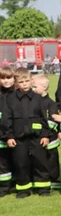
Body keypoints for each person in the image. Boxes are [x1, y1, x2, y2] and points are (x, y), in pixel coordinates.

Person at [4, 68, 50, 198]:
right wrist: (9, 136)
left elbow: (43, 118)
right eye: (21, 82)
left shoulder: (38, 98)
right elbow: (7, 119)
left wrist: (45, 135)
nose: (24, 84)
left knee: (40, 162)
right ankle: (23, 189)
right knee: (21, 163)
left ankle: (43, 188)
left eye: (27, 81)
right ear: (16, 83)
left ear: (31, 81)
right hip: (19, 139)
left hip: (36, 137)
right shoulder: (10, 99)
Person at [31, 74, 61, 193]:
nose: (32, 89)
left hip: (51, 140)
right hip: (37, 138)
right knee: (39, 161)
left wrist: (40, 128)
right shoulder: (33, 102)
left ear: (44, 87)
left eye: (35, 86)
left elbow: (52, 121)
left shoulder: (51, 104)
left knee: (52, 161)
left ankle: (54, 181)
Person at [0, 66, 12, 196]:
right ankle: (4, 187)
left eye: (8, 78)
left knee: (16, 159)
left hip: (14, 132)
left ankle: (14, 183)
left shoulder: (16, 94)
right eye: (2, 78)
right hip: (1, 133)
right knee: (2, 162)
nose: (6, 81)